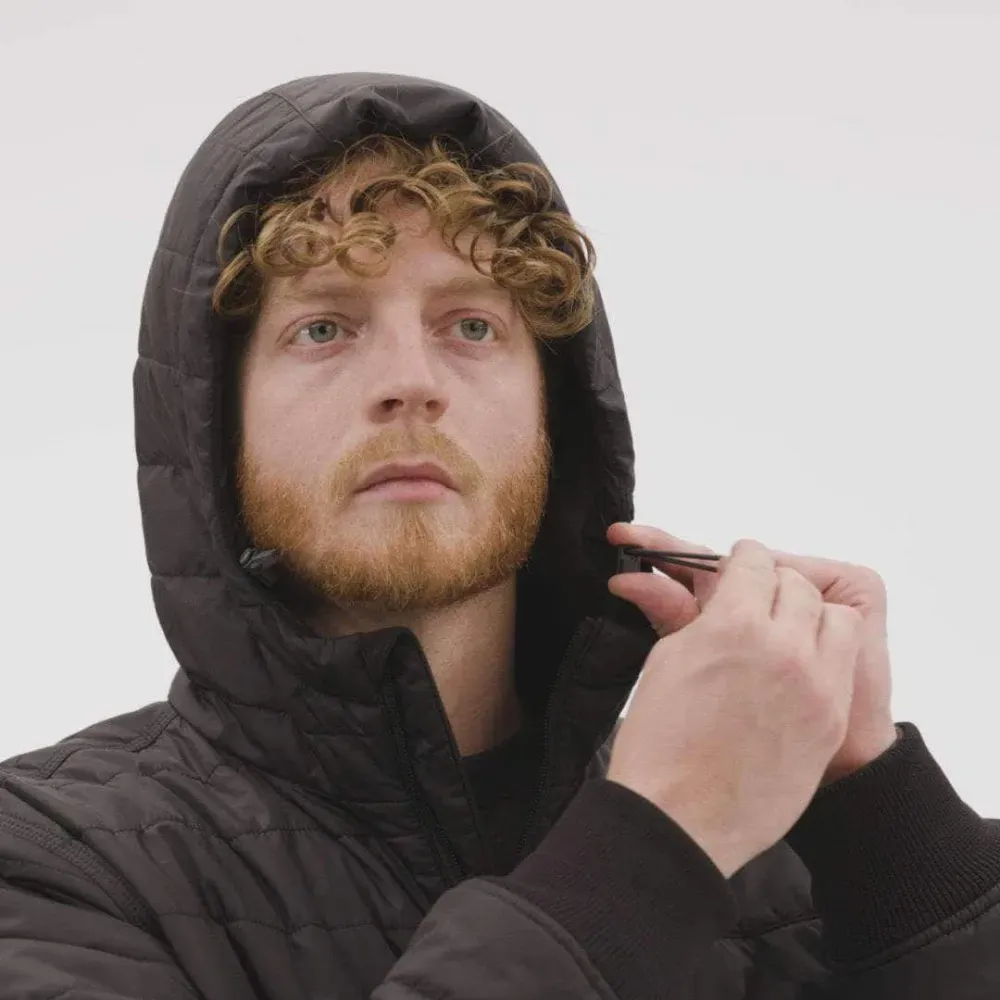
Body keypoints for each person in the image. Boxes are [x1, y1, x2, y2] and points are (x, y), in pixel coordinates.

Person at [1, 72, 997, 1000]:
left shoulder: (775, 849)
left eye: (471, 326)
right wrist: (652, 847)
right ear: (214, 426)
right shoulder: (50, 861)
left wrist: (886, 823)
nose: (410, 380)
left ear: (557, 414)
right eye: (324, 328)